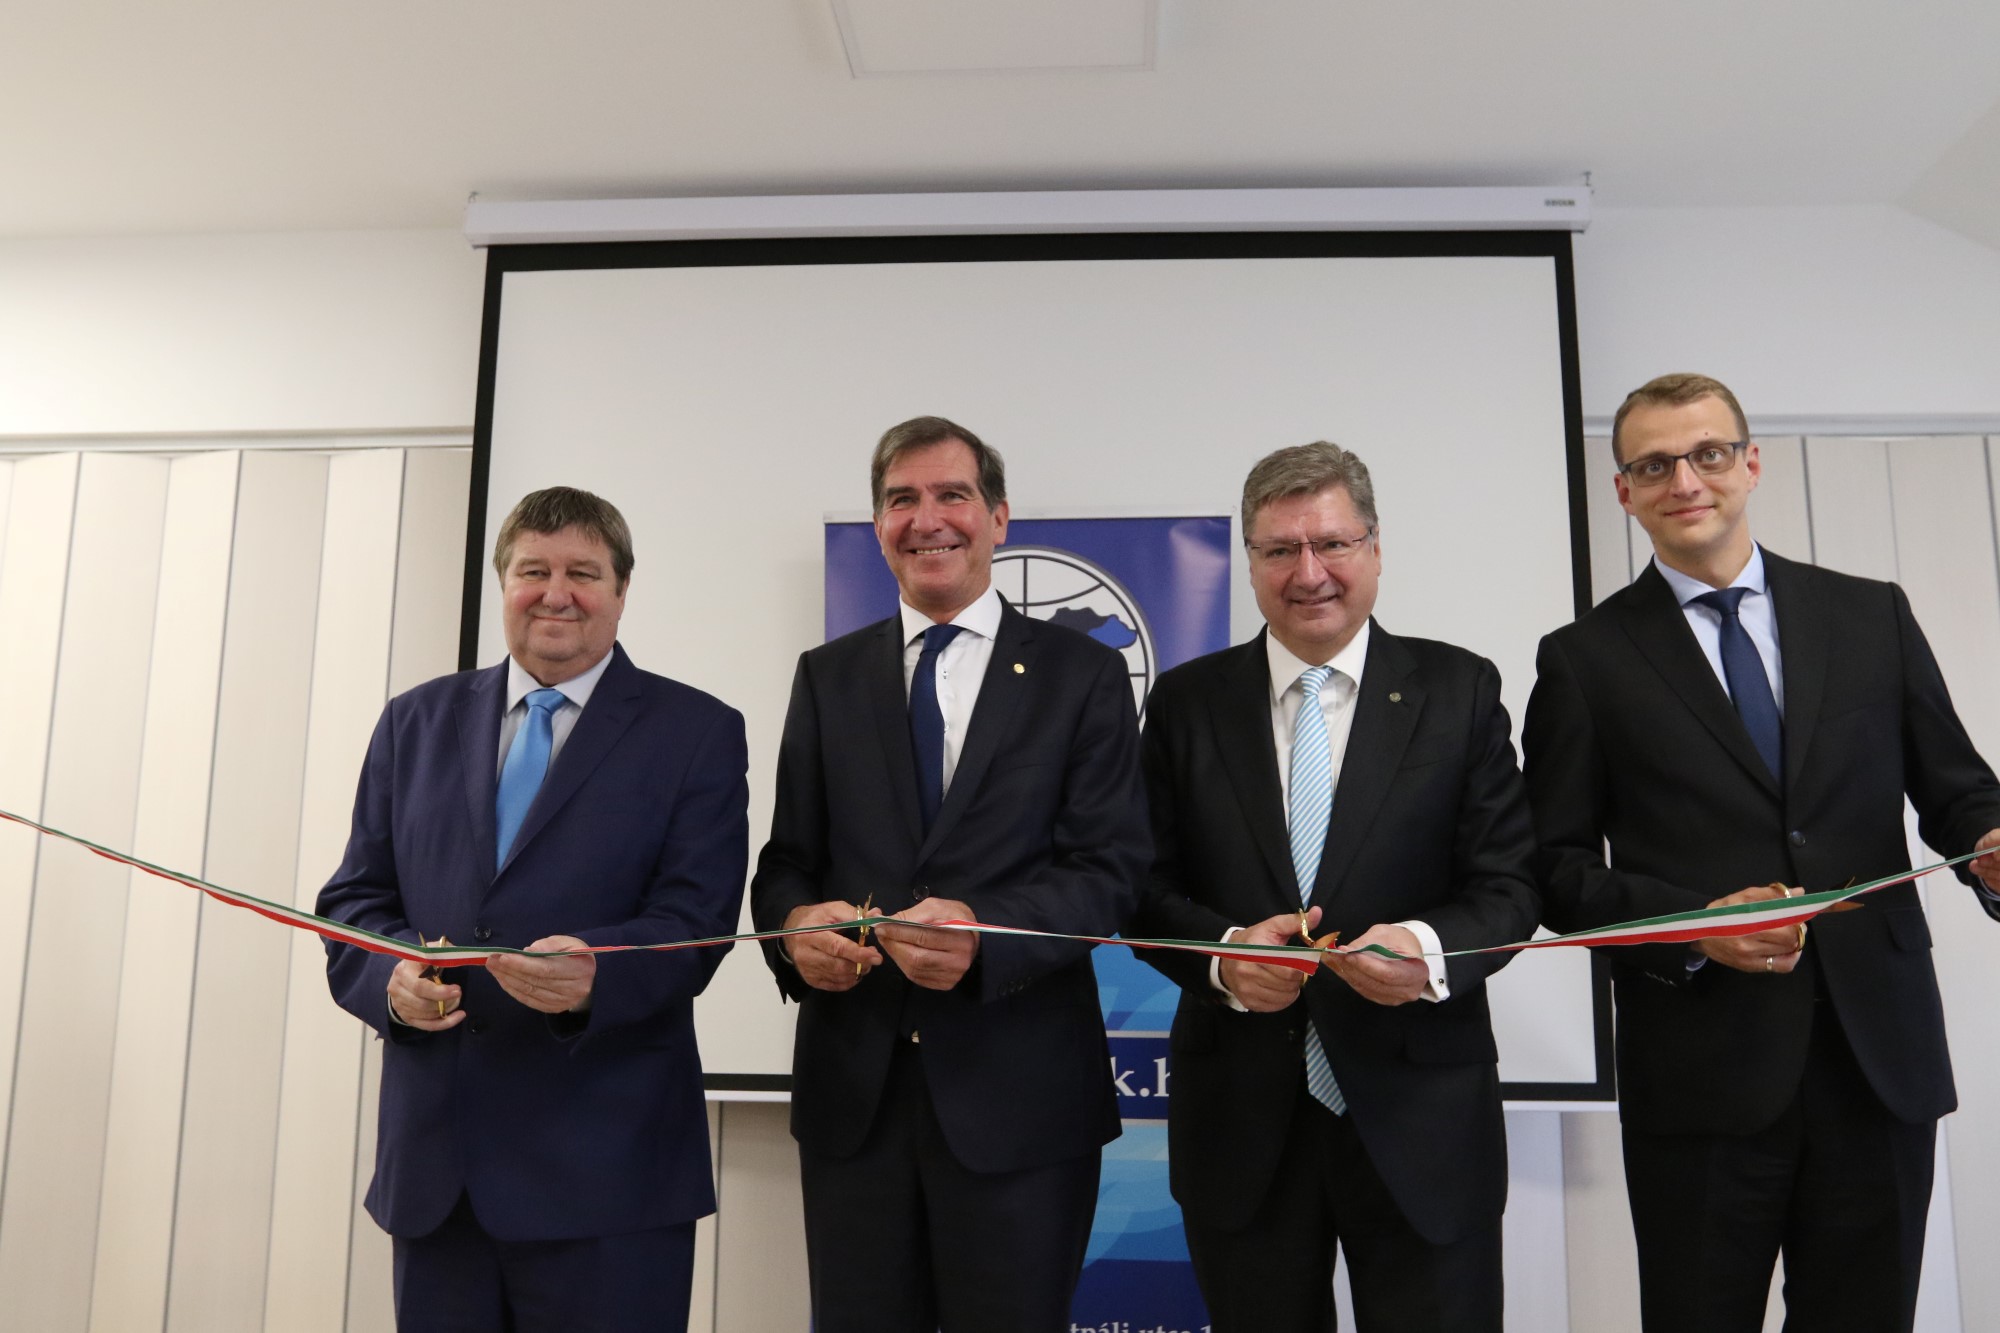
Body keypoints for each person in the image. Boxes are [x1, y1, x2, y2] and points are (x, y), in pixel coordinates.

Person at [1522, 372, 2000, 1332]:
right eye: (1653, 465)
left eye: (1707, 453)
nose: (1684, 481)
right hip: (1700, 1075)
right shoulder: (1583, 659)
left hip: (1878, 1059)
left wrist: (1988, 840)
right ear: (1623, 491)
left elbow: (1958, 791)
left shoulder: (1871, 614)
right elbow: (1554, 869)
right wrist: (1692, 927)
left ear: (1750, 463)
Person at [749, 415, 1149, 1333]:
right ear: (878, 526)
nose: (926, 518)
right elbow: (786, 863)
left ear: (998, 518)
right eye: (902, 499)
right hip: (856, 1102)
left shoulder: (1084, 674)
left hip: (1024, 1103)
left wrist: (985, 939)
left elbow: (1111, 870)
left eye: (952, 495)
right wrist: (794, 929)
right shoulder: (827, 676)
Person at [317, 486, 749, 1333]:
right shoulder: (414, 721)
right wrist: (392, 978)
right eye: (533, 571)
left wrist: (596, 976)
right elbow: (354, 902)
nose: (557, 593)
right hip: (439, 1180)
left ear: (622, 589)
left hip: (610, 1181)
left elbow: (697, 920)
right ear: (503, 584)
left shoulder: (697, 730)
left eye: (583, 572)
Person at [1132, 441, 1540, 1332]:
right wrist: (1224, 957)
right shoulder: (1186, 704)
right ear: (1249, 562)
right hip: (1242, 1125)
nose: (1308, 572)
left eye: (1332, 543)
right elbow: (1141, 887)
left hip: (1423, 1119)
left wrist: (1425, 950)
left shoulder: (1459, 689)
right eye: (1280, 549)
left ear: (1376, 547)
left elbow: (1510, 884)